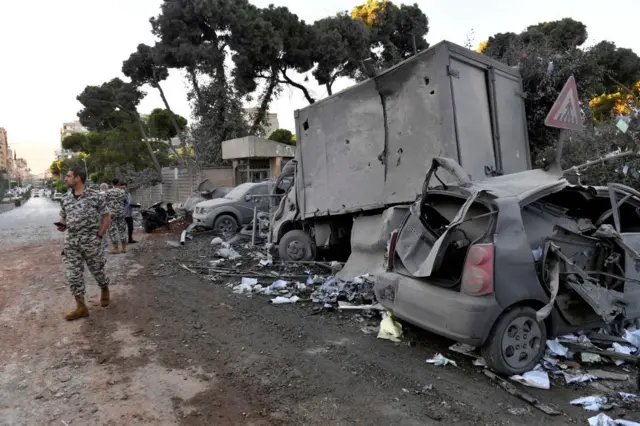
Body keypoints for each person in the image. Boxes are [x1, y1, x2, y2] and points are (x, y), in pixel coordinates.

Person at [57, 167, 111, 321]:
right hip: (71, 242)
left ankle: (104, 288)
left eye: (68, 176)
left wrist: (100, 235)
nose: (65, 179)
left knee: (97, 270)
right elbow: (63, 217)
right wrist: (62, 224)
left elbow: (106, 216)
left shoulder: (95, 196)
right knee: (73, 275)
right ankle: (81, 307)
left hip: (91, 241)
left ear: (78, 178)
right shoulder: (66, 198)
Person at [105, 179, 128, 254]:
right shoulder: (122, 192)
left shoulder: (108, 192)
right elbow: (126, 202)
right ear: (118, 183)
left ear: (112, 183)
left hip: (112, 213)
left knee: (112, 230)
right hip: (121, 213)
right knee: (122, 230)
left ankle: (116, 248)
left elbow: (104, 202)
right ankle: (124, 248)